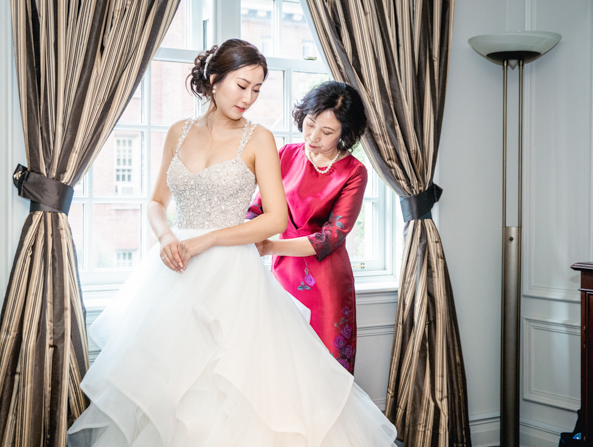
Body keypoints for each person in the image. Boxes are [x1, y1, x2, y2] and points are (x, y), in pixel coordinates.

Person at [67, 39, 396, 446]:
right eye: (242, 86)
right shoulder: (178, 132)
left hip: (236, 274)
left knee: (238, 387)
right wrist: (167, 235)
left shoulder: (260, 139)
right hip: (175, 269)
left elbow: (276, 220)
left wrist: (208, 241)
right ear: (213, 78)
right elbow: (155, 202)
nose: (249, 98)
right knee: (167, 386)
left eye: (257, 89)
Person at [246, 81, 368, 374]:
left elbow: (332, 236)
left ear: (345, 133)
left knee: (323, 369)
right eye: (310, 124)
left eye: (327, 132)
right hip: (283, 273)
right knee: (281, 363)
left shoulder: (354, 171)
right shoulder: (286, 154)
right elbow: (257, 207)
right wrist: (244, 234)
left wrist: (269, 246)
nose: (313, 137)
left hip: (326, 279)